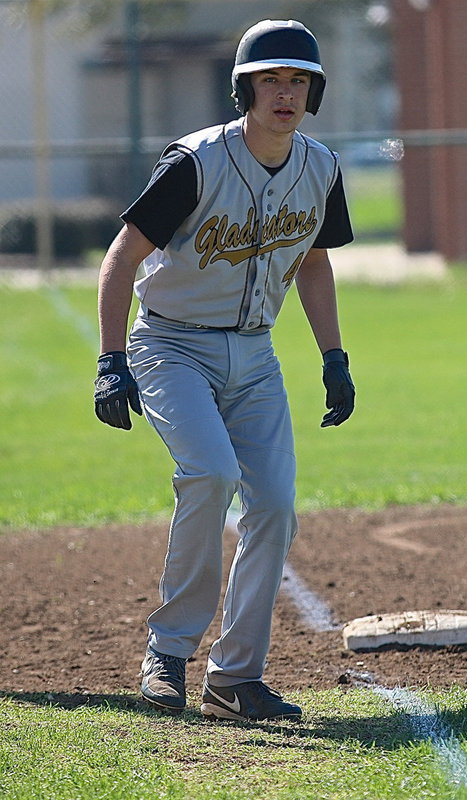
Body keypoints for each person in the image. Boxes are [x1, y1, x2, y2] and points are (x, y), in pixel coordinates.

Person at [93, 19, 355, 722]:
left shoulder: (320, 166)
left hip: (256, 355)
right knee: (209, 473)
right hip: (171, 345)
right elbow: (123, 256)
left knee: (272, 503)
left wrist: (334, 357)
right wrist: (111, 360)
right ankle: (169, 652)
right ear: (244, 87)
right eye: (270, 78)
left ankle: (235, 678)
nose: (285, 92)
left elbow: (316, 262)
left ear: (314, 92)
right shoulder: (197, 162)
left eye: (298, 79)